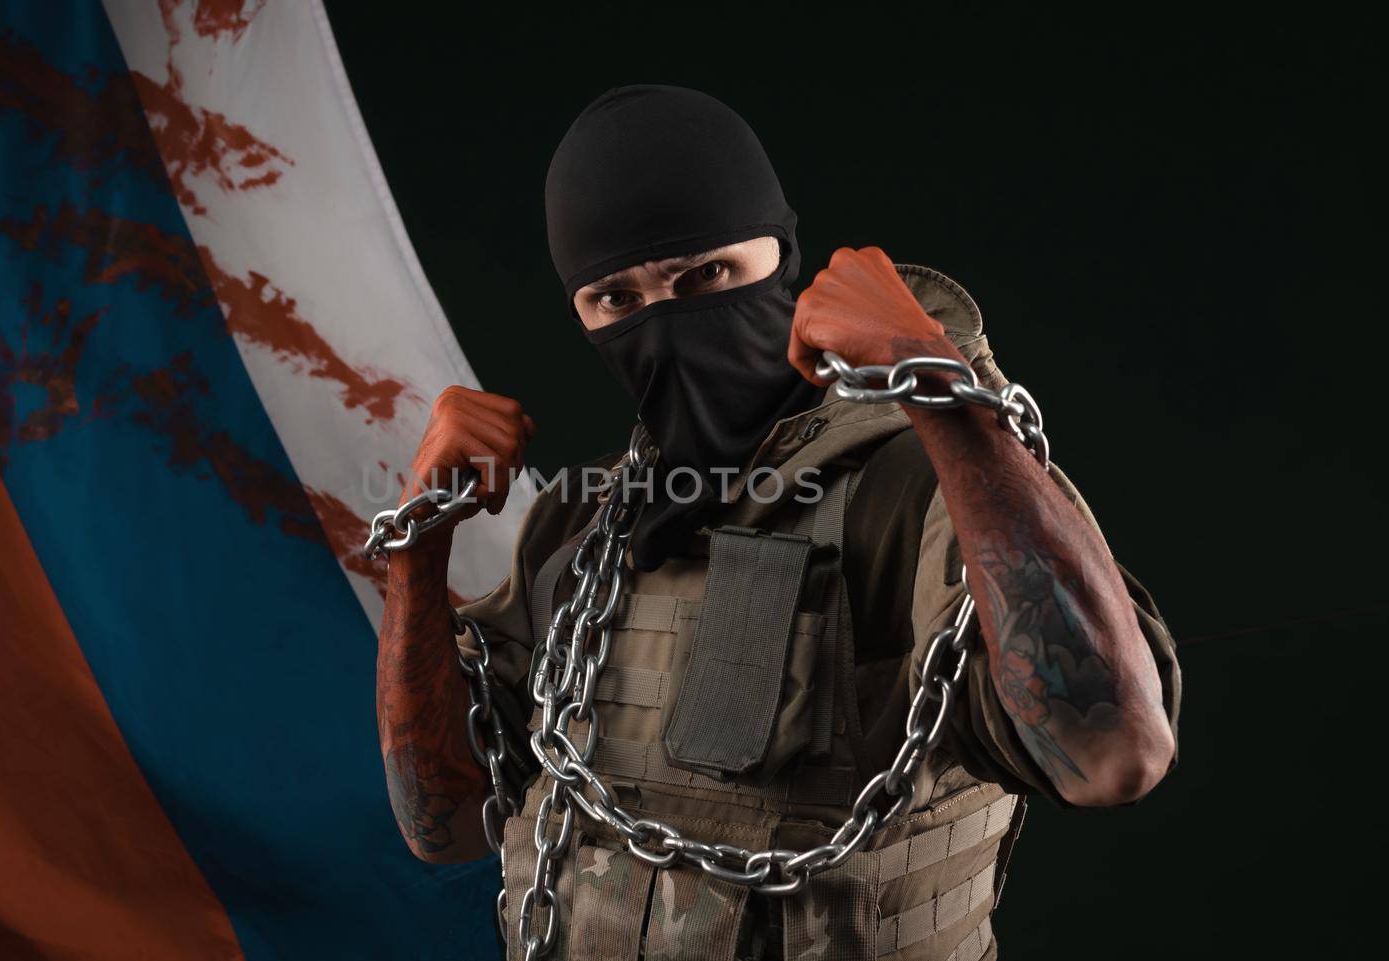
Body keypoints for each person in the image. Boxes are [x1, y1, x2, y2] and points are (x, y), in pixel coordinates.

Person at [375, 85, 1180, 961]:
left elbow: (1115, 754)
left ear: (782, 256)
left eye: (707, 274)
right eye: (616, 299)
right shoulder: (583, 523)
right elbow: (443, 824)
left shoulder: (918, 488)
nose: (667, 322)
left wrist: (943, 393)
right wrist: (418, 549)